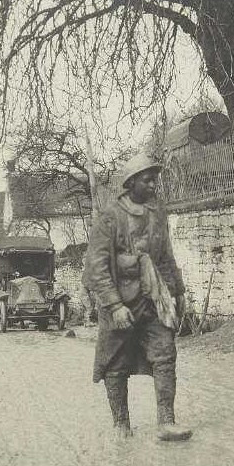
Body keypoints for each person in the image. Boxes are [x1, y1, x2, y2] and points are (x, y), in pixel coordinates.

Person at [82, 152, 191, 441]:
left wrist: (178, 292)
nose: (154, 185)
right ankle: (121, 425)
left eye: (155, 180)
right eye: (147, 180)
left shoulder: (158, 214)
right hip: (120, 301)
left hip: (153, 297)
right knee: (115, 364)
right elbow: (97, 265)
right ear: (131, 183)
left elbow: (166, 256)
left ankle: (166, 422)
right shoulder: (110, 217)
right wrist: (114, 305)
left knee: (165, 354)